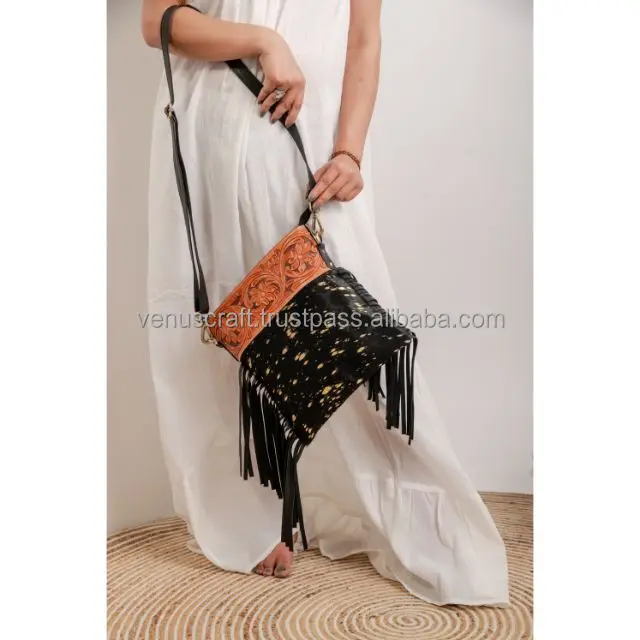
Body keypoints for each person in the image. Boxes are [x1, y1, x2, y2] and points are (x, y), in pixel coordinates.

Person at [141, 0, 509, 606]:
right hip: (214, 123)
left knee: (346, 322)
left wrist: (350, 152)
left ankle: (413, 517)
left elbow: (364, 39)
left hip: (312, 139)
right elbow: (157, 20)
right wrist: (262, 40)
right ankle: (250, 512)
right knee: (230, 323)